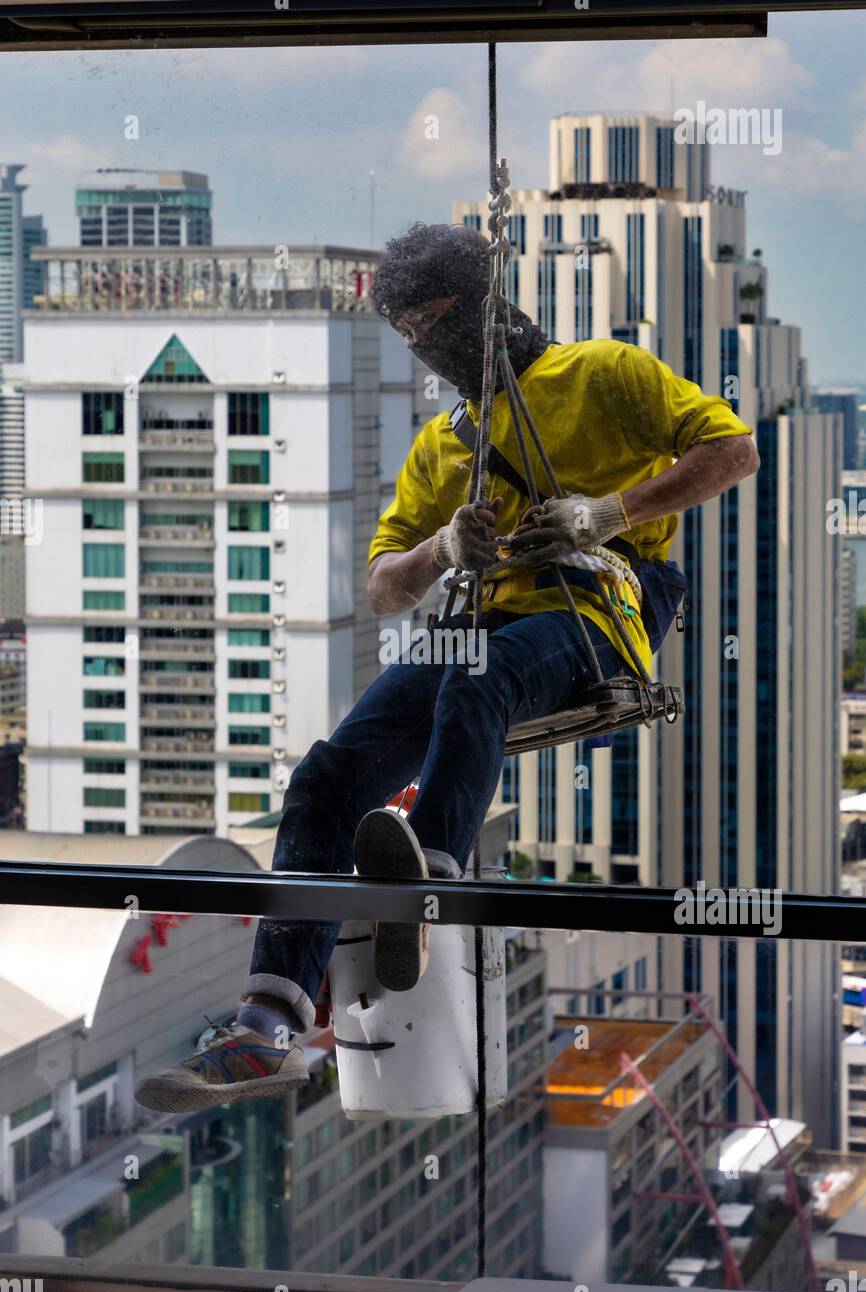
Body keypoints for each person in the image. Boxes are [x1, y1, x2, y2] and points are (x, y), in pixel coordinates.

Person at [136, 222, 758, 1113]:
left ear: (485, 303)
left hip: (600, 609)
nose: (425, 344)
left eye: (435, 320)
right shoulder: (447, 442)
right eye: (409, 331)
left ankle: (426, 882)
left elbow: (732, 450)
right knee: (326, 776)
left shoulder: (605, 375)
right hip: (494, 624)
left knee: (480, 678)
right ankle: (267, 1025)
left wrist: (611, 512)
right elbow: (386, 586)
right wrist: (441, 548)